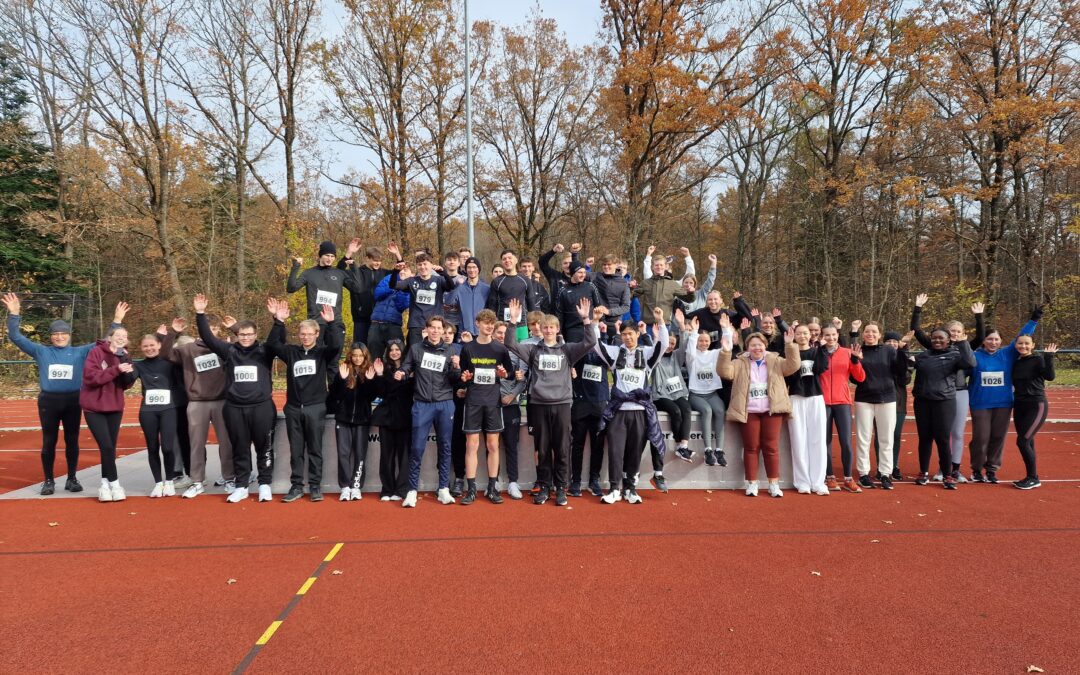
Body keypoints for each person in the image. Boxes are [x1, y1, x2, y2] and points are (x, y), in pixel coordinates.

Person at [2, 293, 126, 495]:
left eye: (63, 334)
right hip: (49, 402)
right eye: (55, 334)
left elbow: (105, 341)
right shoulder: (41, 351)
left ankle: (72, 478)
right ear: (50, 336)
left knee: (72, 439)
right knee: (49, 440)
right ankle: (48, 480)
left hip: (73, 401)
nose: (59, 337)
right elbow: (16, 337)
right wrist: (14, 314)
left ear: (69, 335)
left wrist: (117, 321)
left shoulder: (80, 352)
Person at [505, 297, 596, 506]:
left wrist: (586, 321)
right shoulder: (533, 350)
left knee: (562, 448)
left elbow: (590, 342)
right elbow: (510, 343)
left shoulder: (567, 350)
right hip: (538, 404)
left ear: (557, 329)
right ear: (541, 329)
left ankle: (561, 487)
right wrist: (513, 321)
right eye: (545, 327)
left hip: (562, 404)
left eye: (552, 327)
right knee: (543, 448)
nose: (548, 330)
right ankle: (544, 486)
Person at [194, 294, 281, 503]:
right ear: (236, 335)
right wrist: (200, 314)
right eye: (242, 334)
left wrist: (277, 320)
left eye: (249, 334)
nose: (246, 337)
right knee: (240, 447)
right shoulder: (229, 351)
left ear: (255, 334)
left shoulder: (264, 351)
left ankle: (264, 484)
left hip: (261, 407)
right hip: (234, 408)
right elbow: (208, 338)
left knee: (264, 448)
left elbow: (277, 340)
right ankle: (241, 485)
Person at [267, 300, 342, 503]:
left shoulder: (321, 353)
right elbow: (273, 345)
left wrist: (332, 324)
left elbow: (336, 345)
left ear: (316, 335)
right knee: (296, 450)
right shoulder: (292, 352)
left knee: (315, 449)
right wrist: (278, 321)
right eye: (303, 334)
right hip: (293, 408)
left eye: (310, 334)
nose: (306, 337)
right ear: (299, 335)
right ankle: (297, 485)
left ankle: (315, 486)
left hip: (316, 408)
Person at [595, 307, 668, 504]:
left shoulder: (647, 354)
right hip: (618, 411)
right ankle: (614, 489)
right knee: (616, 451)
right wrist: (593, 323)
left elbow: (663, 345)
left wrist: (660, 322)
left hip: (640, 412)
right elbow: (595, 345)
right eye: (624, 334)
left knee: (635, 451)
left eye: (630, 334)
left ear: (637, 334)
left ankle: (631, 489)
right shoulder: (614, 353)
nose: (627, 338)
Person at [159, 314, 236, 498]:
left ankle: (230, 478)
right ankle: (197, 481)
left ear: (218, 331)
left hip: (221, 401)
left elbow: (244, 346)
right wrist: (173, 333)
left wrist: (233, 329)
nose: (212, 332)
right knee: (196, 444)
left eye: (215, 329)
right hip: (197, 402)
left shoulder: (224, 349)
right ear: (199, 331)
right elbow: (164, 354)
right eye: (208, 329)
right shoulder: (187, 349)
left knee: (226, 443)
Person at [719, 328, 800, 497]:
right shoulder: (739, 362)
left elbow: (793, 366)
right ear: (747, 347)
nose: (757, 348)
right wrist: (725, 352)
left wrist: (790, 345)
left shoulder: (776, 361)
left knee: (771, 447)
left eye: (760, 345)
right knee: (751, 447)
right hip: (749, 411)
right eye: (753, 345)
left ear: (765, 345)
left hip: (772, 410)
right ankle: (752, 483)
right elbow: (725, 372)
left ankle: (773, 484)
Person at [911, 295, 984, 481]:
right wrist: (918, 308)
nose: (955, 334)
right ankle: (930, 471)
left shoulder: (960, 350)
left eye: (958, 331)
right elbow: (917, 331)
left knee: (954, 434)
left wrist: (978, 317)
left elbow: (973, 355)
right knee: (927, 437)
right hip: (928, 397)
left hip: (953, 395)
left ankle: (953, 470)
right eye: (952, 331)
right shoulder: (930, 350)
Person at [967, 307, 1041, 483]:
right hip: (980, 404)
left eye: (996, 339)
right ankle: (977, 469)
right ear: (983, 341)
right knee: (981, 438)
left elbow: (1023, 337)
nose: (993, 342)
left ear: (1001, 341)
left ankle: (991, 469)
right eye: (989, 339)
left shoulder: (1007, 354)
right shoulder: (974, 356)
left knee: (998, 437)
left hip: (1003, 403)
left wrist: (1034, 320)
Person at [394, 315, 462, 507]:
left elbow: (454, 379)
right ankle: (412, 491)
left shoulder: (451, 350)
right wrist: (402, 373)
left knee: (445, 446)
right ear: (426, 330)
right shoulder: (416, 349)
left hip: (445, 403)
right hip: (422, 404)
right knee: (416, 448)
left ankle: (443, 489)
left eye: (438, 328)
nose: (435, 331)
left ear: (443, 331)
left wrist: (457, 367)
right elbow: (407, 367)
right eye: (432, 327)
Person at [458, 310, 516, 504]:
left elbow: (509, 373)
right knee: (471, 445)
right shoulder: (468, 348)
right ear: (477, 324)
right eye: (486, 323)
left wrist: (502, 373)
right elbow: (463, 376)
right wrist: (464, 379)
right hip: (473, 401)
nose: (489, 326)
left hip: (493, 402)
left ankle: (492, 488)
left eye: (492, 323)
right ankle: (472, 489)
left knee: (492, 445)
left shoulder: (500, 349)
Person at [907, 327, 976, 488]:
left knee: (943, 439)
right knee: (924, 439)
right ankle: (923, 472)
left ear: (948, 340)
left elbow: (971, 363)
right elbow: (906, 370)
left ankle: (947, 475)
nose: (937, 341)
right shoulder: (923, 356)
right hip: (923, 402)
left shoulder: (955, 355)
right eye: (934, 338)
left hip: (944, 402)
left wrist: (963, 342)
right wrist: (905, 353)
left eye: (941, 338)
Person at [81, 324, 137, 502]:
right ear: (110, 337)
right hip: (94, 407)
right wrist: (116, 370)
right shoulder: (96, 352)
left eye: (125, 335)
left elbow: (126, 384)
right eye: (118, 334)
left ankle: (104, 485)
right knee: (105, 446)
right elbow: (91, 378)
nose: (121, 338)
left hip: (115, 407)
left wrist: (129, 374)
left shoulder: (125, 355)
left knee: (110, 448)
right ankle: (115, 483)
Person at [852, 322, 909, 490]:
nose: (870, 334)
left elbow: (900, 371)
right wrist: (856, 360)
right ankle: (863, 474)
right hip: (864, 399)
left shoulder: (889, 351)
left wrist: (903, 350)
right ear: (863, 335)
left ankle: (885, 473)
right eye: (867, 331)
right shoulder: (858, 350)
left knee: (886, 438)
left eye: (874, 331)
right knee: (863, 438)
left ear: (879, 334)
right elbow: (855, 379)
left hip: (887, 399)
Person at [328, 343, 381, 501]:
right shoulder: (343, 370)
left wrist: (370, 381)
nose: (357, 358)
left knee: (359, 454)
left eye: (361, 356)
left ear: (365, 356)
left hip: (362, 420)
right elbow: (336, 395)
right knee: (343, 454)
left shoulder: (369, 371)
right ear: (350, 356)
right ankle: (345, 487)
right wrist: (342, 380)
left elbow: (370, 397)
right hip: (343, 419)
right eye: (355, 355)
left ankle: (356, 485)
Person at [817, 325, 866, 492]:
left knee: (846, 441)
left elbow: (860, 377)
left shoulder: (847, 352)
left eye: (833, 335)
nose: (830, 338)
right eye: (827, 335)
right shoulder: (818, 352)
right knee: (825, 441)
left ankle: (848, 478)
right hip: (822, 403)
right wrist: (821, 351)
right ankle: (829, 477)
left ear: (838, 335)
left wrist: (855, 360)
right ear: (822, 336)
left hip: (842, 402)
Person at [133, 332, 182, 497]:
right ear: (141, 348)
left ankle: (169, 481)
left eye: (152, 345)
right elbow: (128, 380)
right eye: (145, 346)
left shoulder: (169, 364)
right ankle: (158, 483)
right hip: (148, 411)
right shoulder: (139, 366)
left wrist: (172, 334)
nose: (149, 348)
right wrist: (124, 368)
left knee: (168, 447)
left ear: (159, 345)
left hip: (168, 409)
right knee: (152, 447)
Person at [678, 311, 729, 467]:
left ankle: (719, 450)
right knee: (706, 411)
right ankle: (708, 450)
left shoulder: (714, 354)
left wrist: (726, 330)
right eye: (701, 341)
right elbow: (690, 350)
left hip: (712, 394)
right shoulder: (691, 357)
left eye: (706, 341)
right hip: (696, 395)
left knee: (720, 411)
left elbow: (727, 348)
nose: (704, 343)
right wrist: (694, 333)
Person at [784, 324, 830, 495]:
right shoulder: (789, 351)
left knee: (817, 440)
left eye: (805, 333)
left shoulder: (817, 351)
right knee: (798, 440)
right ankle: (802, 481)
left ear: (810, 335)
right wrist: (789, 347)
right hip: (796, 397)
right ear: (794, 335)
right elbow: (787, 374)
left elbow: (821, 368)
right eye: (799, 333)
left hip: (815, 397)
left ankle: (818, 482)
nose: (802, 336)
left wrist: (822, 348)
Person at [1010, 338, 1056, 489]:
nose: (1023, 346)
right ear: (1016, 345)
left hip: (1036, 405)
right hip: (1019, 405)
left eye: (1026, 343)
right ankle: (1032, 476)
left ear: (1033, 345)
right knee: (1028, 442)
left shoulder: (1038, 360)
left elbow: (1050, 376)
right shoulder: (1016, 362)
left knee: (1022, 441)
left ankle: (1033, 478)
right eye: (1020, 343)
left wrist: (1049, 357)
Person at [372, 340, 412, 501]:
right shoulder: (384, 370)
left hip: (405, 417)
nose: (394, 352)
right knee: (386, 455)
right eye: (391, 350)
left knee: (404, 456)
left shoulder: (410, 369)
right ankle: (387, 489)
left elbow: (409, 391)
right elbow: (381, 393)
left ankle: (401, 490)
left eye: (397, 349)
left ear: (403, 351)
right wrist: (380, 375)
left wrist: (401, 379)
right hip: (387, 417)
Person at [493, 322, 529, 499]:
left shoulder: (517, 352)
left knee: (511, 445)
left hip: (510, 405)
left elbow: (522, 380)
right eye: (498, 333)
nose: (501, 336)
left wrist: (512, 396)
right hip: (491, 406)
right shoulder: (487, 351)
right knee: (492, 445)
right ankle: (494, 482)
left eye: (504, 333)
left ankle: (513, 482)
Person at [339, 240, 399, 345]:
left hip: (378, 319)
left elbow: (400, 272)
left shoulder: (385, 273)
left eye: (380, 261)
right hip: (360, 318)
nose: (378, 263)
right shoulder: (356, 272)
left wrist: (397, 255)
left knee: (375, 350)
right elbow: (339, 271)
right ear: (367, 258)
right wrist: (349, 253)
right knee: (359, 348)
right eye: (375, 260)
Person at [651, 323, 694, 467]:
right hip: (660, 395)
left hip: (677, 393)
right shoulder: (656, 357)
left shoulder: (676, 356)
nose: (669, 346)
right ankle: (677, 443)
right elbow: (654, 349)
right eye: (667, 342)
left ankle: (683, 445)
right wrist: (657, 338)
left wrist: (683, 327)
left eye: (672, 343)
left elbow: (685, 346)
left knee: (686, 409)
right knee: (675, 411)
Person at [287, 240, 347, 343]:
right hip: (315, 323)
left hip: (335, 322)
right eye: (327, 255)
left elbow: (358, 288)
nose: (330, 259)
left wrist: (353, 266)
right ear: (320, 256)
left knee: (334, 357)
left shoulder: (339, 273)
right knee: (316, 357)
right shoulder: (309, 273)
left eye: (332, 256)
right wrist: (296, 266)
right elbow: (291, 288)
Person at [393, 253, 456, 347]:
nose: (422, 267)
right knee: (416, 353)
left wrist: (443, 273)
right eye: (419, 264)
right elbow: (393, 285)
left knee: (434, 352)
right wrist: (395, 271)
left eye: (425, 264)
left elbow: (451, 286)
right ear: (417, 266)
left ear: (431, 265)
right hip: (416, 324)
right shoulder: (412, 281)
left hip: (435, 325)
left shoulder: (438, 280)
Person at [368, 264, 410, 362]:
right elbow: (378, 294)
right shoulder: (389, 278)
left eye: (406, 270)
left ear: (412, 274)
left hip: (393, 325)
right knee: (373, 356)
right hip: (376, 323)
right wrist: (394, 285)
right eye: (401, 270)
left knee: (398, 356)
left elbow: (402, 305)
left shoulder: (411, 286)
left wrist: (402, 287)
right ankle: (374, 376)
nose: (402, 272)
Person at [486, 250, 540, 327]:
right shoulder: (497, 281)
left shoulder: (525, 280)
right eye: (504, 259)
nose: (507, 260)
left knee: (522, 339)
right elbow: (492, 306)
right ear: (502, 262)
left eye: (510, 258)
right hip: (502, 324)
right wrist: (492, 324)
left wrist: (533, 324)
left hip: (522, 324)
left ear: (516, 260)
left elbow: (531, 305)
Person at [554, 261, 602, 343]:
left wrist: (601, 322)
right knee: (575, 355)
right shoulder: (563, 290)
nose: (583, 275)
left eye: (584, 272)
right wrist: (559, 332)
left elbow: (599, 307)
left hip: (590, 326)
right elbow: (559, 314)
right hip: (572, 330)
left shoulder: (590, 286)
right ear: (572, 273)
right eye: (580, 272)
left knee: (593, 355)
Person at [592, 254, 631, 337]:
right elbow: (578, 272)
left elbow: (626, 306)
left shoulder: (623, 283)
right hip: (598, 321)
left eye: (609, 264)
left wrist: (609, 312)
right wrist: (575, 254)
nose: (606, 267)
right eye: (604, 264)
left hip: (615, 324)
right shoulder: (596, 277)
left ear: (616, 265)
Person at [456, 257, 490, 337]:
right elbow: (449, 302)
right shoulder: (460, 288)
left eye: (474, 267)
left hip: (482, 332)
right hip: (465, 332)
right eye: (469, 267)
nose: (471, 270)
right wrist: (456, 287)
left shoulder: (487, 288)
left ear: (478, 269)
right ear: (465, 269)